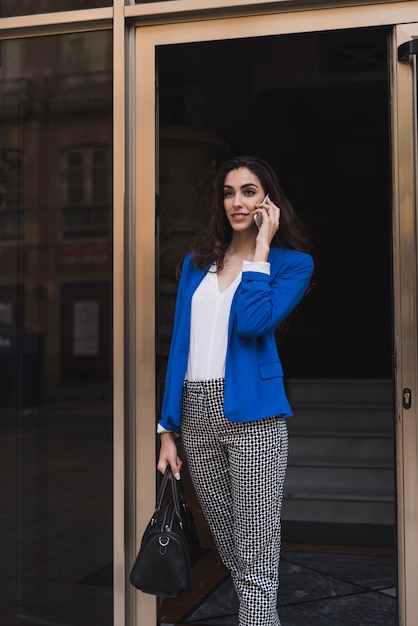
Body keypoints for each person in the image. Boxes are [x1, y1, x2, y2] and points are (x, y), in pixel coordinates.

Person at [157, 155, 314, 626]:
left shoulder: (292, 265)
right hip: (196, 413)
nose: (237, 202)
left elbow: (252, 323)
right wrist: (167, 427)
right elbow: (179, 346)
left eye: (248, 191)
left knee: (258, 554)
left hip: (254, 419)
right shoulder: (196, 264)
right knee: (228, 546)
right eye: (228, 192)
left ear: (269, 201)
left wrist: (261, 250)